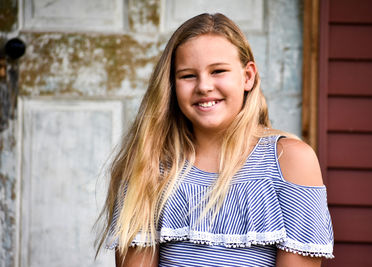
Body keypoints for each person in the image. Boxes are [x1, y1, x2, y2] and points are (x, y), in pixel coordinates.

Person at [96, 13, 334, 267]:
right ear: (171, 85)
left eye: (218, 71)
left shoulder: (291, 161)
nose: (204, 86)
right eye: (188, 75)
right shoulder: (149, 165)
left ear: (248, 76)